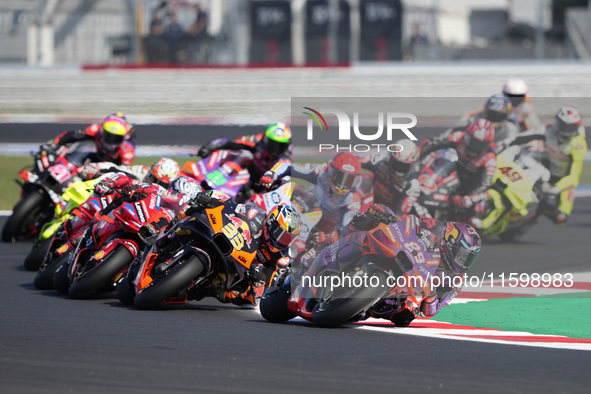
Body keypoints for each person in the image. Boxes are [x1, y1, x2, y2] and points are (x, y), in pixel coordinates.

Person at [305, 203, 482, 327]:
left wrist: (431, 296)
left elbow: (432, 310)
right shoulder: (433, 230)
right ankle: (320, 249)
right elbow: (409, 223)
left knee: (404, 317)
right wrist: (386, 215)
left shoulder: (455, 281)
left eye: (468, 258)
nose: (463, 262)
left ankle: (354, 306)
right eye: (462, 255)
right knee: (366, 220)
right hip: (399, 255)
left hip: (404, 292)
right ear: (448, 243)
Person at [184, 193, 301, 307]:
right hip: (226, 240)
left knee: (250, 301)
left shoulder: (280, 257)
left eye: (287, 238)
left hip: (237, 273)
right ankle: (174, 225)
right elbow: (231, 207)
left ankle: (209, 289)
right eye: (280, 233)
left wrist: (258, 276)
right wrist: (212, 202)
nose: (282, 240)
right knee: (203, 203)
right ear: (271, 222)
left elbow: (266, 290)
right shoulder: (255, 214)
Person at [513, 106, 588, 225]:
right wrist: (509, 142)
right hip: (545, 169)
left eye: (570, 127)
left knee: (560, 219)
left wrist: (556, 188)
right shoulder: (548, 129)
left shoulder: (578, 145)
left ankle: (540, 207)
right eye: (563, 125)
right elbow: (527, 136)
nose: (565, 130)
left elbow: (574, 176)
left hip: (563, 179)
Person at [419, 118, 497, 229]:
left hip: (471, 186)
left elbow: (485, 184)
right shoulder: (458, 136)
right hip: (451, 174)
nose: (475, 147)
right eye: (473, 142)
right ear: (467, 135)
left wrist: (469, 198)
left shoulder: (490, 158)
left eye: (480, 145)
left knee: (475, 221)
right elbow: (434, 144)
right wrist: (417, 156)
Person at [197, 122, 292, 183]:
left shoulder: (286, 159)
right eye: (273, 144)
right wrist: (211, 146)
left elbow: (285, 181)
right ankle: (214, 178)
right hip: (250, 174)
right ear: (266, 139)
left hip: (266, 185)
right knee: (243, 155)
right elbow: (231, 142)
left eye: (280, 145)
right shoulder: (257, 141)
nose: (275, 149)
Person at [42, 112, 135, 165]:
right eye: (108, 136)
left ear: (124, 138)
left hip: (109, 169)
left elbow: (123, 172)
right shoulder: (95, 129)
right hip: (91, 158)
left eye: (116, 139)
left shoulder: (127, 151)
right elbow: (72, 136)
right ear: (102, 131)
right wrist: (53, 144)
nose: (111, 142)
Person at [360, 139, 421, 216]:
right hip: (372, 202)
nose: (400, 170)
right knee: (365, 177)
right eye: (397, 164)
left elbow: (399, 214)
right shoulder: (379, 160)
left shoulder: (413, 186)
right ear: (390, 159)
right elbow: (355, 161)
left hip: (390, 216)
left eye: (404, 167)